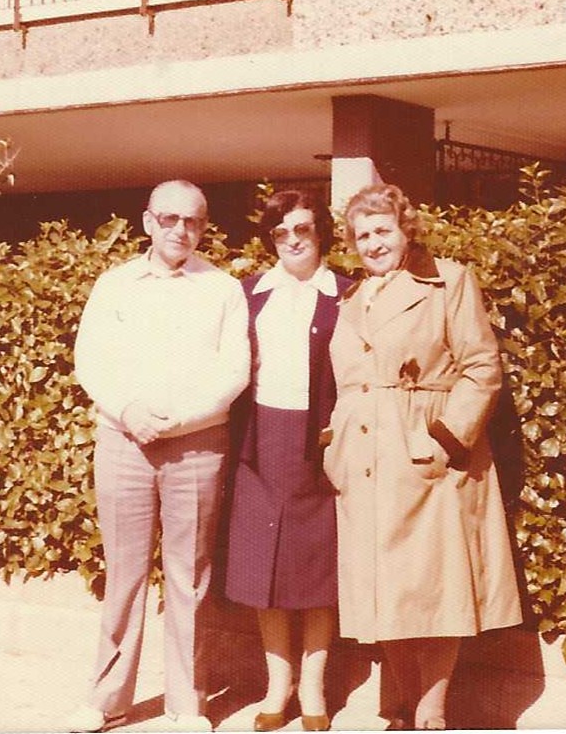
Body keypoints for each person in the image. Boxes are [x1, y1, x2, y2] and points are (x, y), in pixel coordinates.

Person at [323, 184, 523, 731]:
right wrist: (334, 446)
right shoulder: (352, 299)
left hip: (424, 460)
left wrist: (444, 439)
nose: (373, 243)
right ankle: (401, 708)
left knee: (433, 592)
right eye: (362, 235)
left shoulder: (448, 282)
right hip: (365, 463)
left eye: (382, 230)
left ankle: (431, 713)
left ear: (406, 229)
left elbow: (482, 368)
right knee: (385, 593)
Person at [67, 180, 251, 734]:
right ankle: (108, 699)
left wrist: (181, 421)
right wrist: (129, 411)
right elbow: (90, 359)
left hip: (196, 446)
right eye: (169, 219)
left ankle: (186, 704)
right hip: (124, 442)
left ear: (203, 226)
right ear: (148, 222)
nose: (180, 230)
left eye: (192, 221)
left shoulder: (222, 290)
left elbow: (234, 370)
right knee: (123, 573)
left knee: (188, 577)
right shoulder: (115, 284)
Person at [221, 190, 352, 732]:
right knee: (264, 570)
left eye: (302, 228)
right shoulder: (249, 294)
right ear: (271, 238)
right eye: (281, 232)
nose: (293, 240)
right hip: (259, 441)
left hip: (318, 442)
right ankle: (279, 686)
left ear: (320, 231)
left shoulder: (347, 295)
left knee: (316, 569)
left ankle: (315, 689)